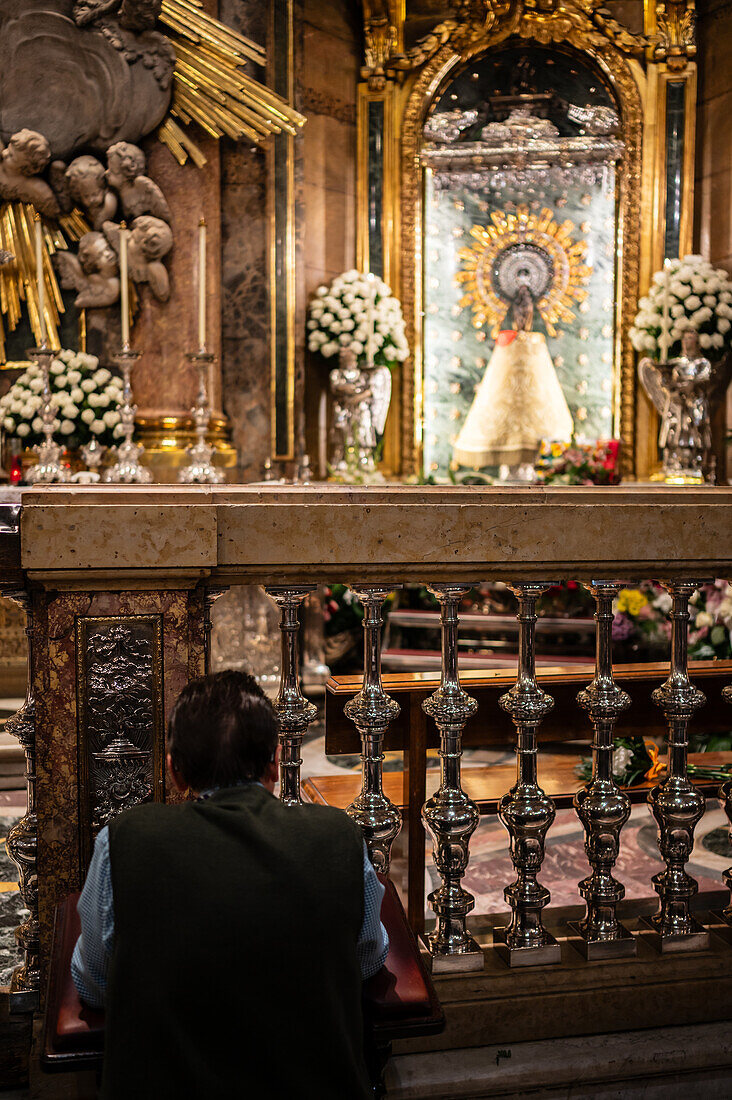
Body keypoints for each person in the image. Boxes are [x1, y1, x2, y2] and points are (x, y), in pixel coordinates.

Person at [72, 670, 388, 1099]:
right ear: (276, 761)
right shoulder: (338, 837)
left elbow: (93, 983)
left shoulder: (124, 840)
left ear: (175, 771)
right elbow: (368, 959)